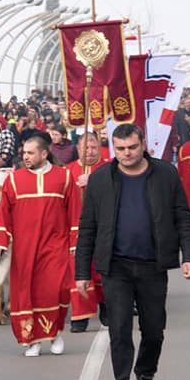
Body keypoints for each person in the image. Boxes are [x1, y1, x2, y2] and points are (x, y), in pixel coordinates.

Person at [75, 123, 190, 380]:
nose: (127, 153)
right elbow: (87, 228)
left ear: (143, 144)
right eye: (120, 149)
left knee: (154, 330)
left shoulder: (166, 174)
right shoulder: (101, 179)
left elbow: (182, 216)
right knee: (119, 329)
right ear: (113, 149)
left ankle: (145, 374)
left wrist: (189, 256)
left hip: (152, 266)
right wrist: (82, 272)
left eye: (132, 147)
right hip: (115, 266)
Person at [0, 136, 77, 357]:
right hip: (25, 249)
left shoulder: (64, 177)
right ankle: (32, 340)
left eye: (30, 153)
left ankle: (54, 333)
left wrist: (76, 245)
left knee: (54, 290)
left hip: (55, 245)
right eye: (24, 153)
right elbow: (3, 214)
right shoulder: (14, 180)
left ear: (44, 153)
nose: (25, 157)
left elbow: (75, 213)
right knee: (28, 293)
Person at [66, 133, 107, 333]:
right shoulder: (68, 171)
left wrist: (95, 181)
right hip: (77, 229)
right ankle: (80, 316)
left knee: (103, 270)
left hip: (104, 228)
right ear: (78, 148)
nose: (89, 152)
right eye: (85, 148)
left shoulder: (109, 169)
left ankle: (108, 308)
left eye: (93, 147)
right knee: (80, 272)